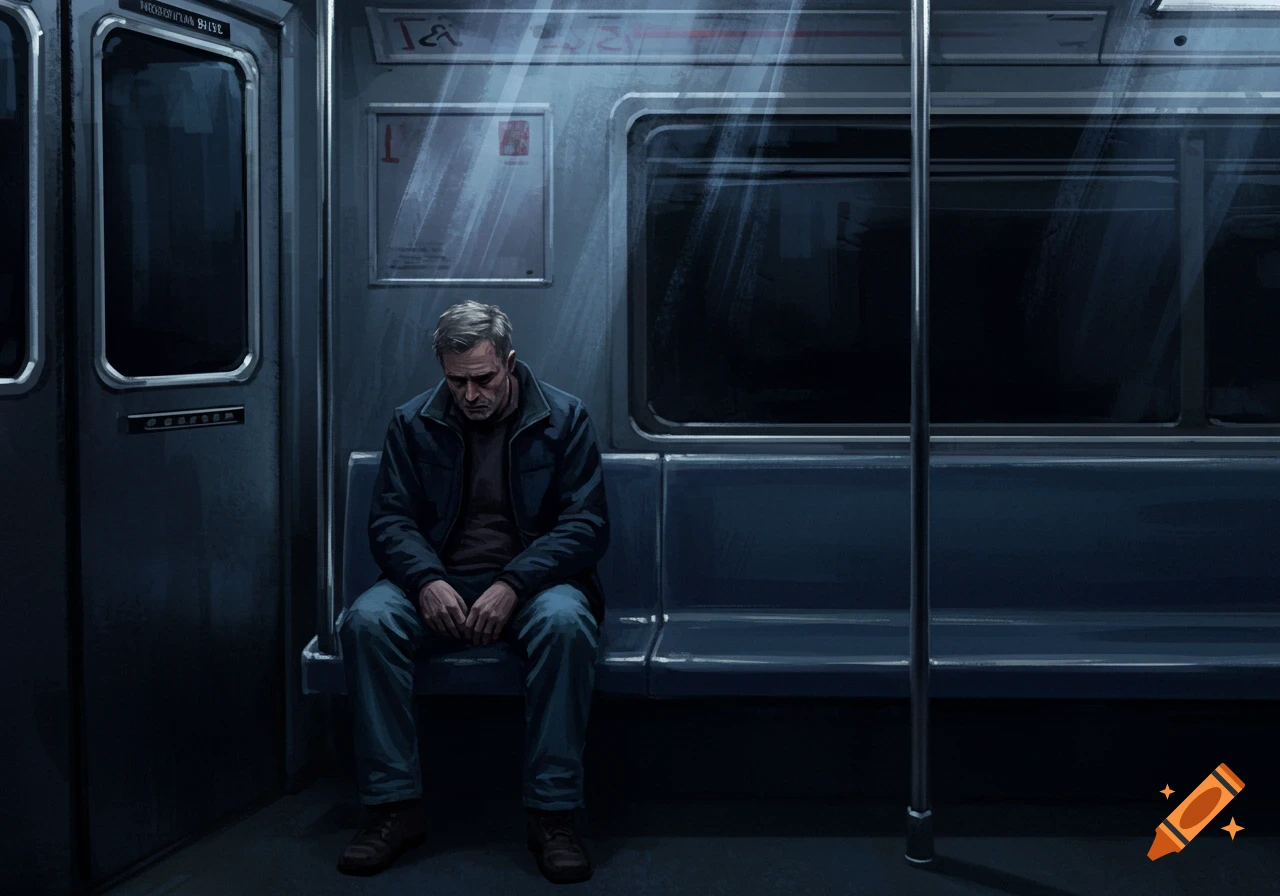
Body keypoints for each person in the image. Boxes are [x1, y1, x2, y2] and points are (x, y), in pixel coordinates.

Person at [337, 301, 609, 883]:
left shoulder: (565, 419)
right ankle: (393, 808)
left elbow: (584, 525)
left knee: (566, 625)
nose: (469, 395)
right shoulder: (413, 423)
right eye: (455, 380)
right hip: (437, 580)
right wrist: (427, 580)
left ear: (509, 363)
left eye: (483, 379)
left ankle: (552, 815)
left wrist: (513, 582)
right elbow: (391, 521)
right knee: (366, 622)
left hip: (534, 584)